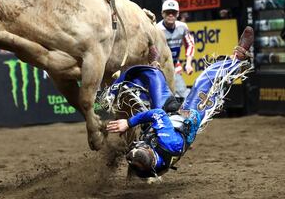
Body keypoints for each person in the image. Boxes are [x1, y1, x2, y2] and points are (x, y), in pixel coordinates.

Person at [105, 27, 254, 178]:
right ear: (151, 152)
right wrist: (128, 123)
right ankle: (238, 58)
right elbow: (158, 114)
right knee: (205, 81)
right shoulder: (168, 142)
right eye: (144, 147)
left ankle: (153, 66)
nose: (141, 145)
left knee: (153, 76)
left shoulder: (147, 166)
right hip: (186, 118)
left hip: (167, 121)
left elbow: (140, 159)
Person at [156, 0, 195, 99]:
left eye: (173, 12)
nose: (170, 15)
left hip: (174, 66)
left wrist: (188, 64)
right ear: (162, 14)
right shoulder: (157, 29)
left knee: (183, 94)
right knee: (164, 97)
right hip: (160, 68)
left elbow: (190, 44)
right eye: (168, 12)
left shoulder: (182, 27)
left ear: (178, 14)